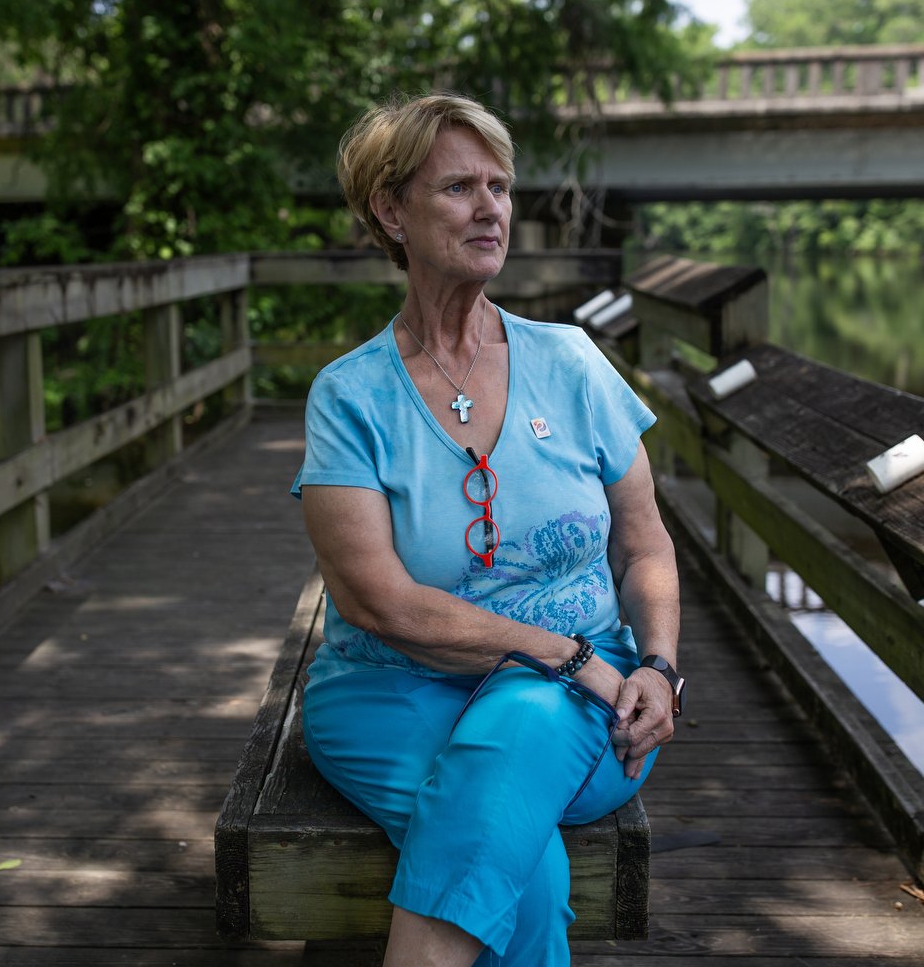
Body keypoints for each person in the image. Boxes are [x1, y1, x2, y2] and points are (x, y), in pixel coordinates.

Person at [291, 91, 685, 967]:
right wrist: (562, 654)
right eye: (460, 188)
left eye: (500, 188)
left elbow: (644, 541)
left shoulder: (572, 362)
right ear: (390, 211)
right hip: (393, 692)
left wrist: (654, 664)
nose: (491, 209)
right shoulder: (351, 397)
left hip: (584, 700)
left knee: (520, 731)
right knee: (529, 872)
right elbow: (380, 603)